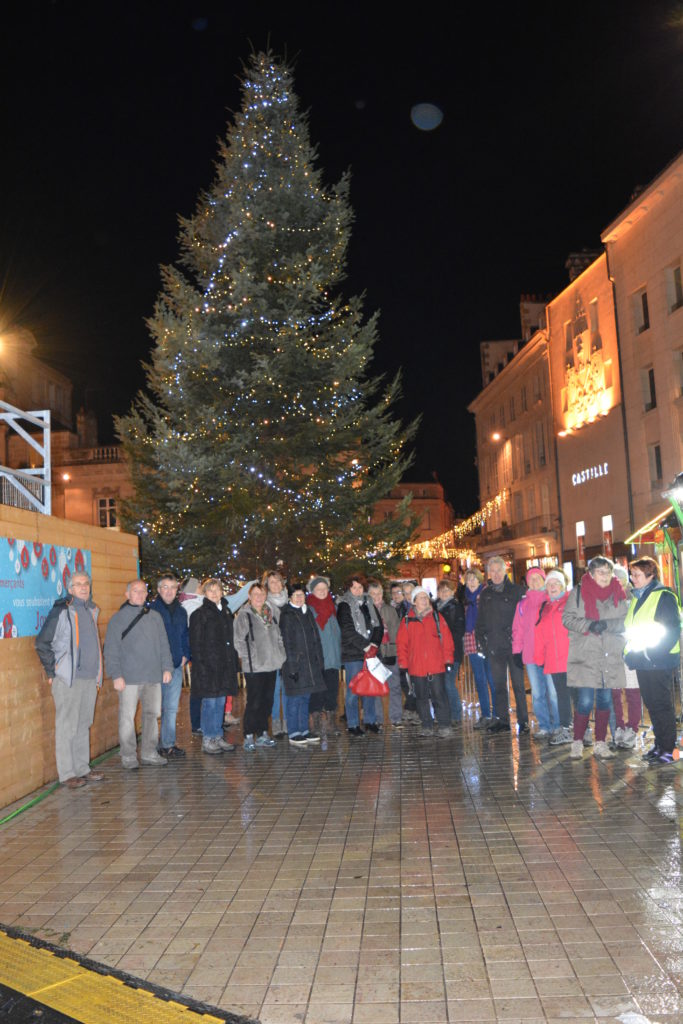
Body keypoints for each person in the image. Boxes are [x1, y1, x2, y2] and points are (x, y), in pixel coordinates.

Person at [35, 571, 105, 790]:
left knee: (83, 724)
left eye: (86, 584)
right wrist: (52, 672)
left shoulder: (91, 610)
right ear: (70, 589)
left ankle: (82, 768)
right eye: (78, 585)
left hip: (88, 679)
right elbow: (42, 643)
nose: (84, 587)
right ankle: (67, 773)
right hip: (68, 680)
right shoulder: (62, 611)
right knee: (67, 727)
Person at [563, 556, 629, 760]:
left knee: (605, 700)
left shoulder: (619, 593)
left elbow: (626, 621)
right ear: (591, 574)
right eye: (600, 572)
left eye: (608, 572)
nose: (605, 576)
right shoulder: (578, 593)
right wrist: (589, 625)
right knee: (584, 701)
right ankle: (577, 742)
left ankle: (600, 742)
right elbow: (568, 619)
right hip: (585, 654)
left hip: (609, 655)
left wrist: (608, 625)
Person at [104, 579, 173, 769]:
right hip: (129, 679)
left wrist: (167, 668)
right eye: (136, 591)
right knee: (127, 717)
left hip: (153, 677)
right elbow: (111, 650)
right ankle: (128, 755)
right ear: (127, 594)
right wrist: (116, 675)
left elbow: (163, 644)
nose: (140, 594)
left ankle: (149, 752)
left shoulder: (155, 617)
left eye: (143, 591)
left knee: (152, 715)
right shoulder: (118, 619)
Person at [624, 556, 681, 768]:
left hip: (658, 661)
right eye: (632, 574)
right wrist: (628, 654)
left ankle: (668, 749)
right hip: (643, 661)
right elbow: (631, 630)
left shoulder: (664, 596)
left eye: (637, 574)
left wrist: (653, 654)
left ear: (651, 575)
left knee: (662, 705)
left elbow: (671, 630)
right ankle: (660, 745)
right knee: (652, 706)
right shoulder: (638, 597)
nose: (632, 578)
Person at [475, 556, 527, 734]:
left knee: (519, 685)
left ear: (505, 571)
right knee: (498, 685)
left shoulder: (517, 591)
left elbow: (524, 618)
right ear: (488, 573)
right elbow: (480, 621)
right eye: (493, 571)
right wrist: (482, 641)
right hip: (495, 646)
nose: (496, 574)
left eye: (499, 570)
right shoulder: (486, 594)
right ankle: (503, 720)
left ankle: (524, 721)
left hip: (515, 645)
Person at [396, 586, 455, 737]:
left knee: (439, 696)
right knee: (421, 698)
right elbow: (402, 644)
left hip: (436, 665)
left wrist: (448, 660)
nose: (424, 600)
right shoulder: (407, 620)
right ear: (414, 602)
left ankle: (444, 725)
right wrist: (403, 664)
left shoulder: (437, 617)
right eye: (420, 598)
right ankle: (426, 725)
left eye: (425, 597)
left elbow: (447, 639)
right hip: (417, 667)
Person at [189, 578, 239, 754]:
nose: (214, 593)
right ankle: (208, 738)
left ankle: (217, 735)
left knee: (220, 703)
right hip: (208, 668)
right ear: (204, 593)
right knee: (210, 704)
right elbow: (195, 644)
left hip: (224, 667)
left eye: (217, 590)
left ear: (222, 592)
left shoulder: (226, 612)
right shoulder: (199, 615)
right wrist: (202, 667)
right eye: (210, 590)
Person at [234, 583, 286, 750]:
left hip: (272, 664)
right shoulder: (244, 615)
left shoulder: (272, 613)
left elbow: (279, 636)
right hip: (255, 666)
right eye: (255, 594)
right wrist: (250, 656)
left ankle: (263, 732)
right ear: (249, 596)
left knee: (267, 700)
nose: (258, 597)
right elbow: (238, 640)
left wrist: (281, 653)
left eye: (261, 594)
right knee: (254, 701)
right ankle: (249, 734)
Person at [512, 567, 559, 737]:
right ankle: (545, 725)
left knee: (553, 693)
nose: (534, 581)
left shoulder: (550, 599)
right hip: (531, 654)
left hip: (549, 654)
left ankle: (558, 725)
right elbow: (518, 629)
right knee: (538, 693)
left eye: (538, 578)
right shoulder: (522, 604)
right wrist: (517, 651)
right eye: (531, 579)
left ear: (543, 579)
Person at [337, 574, 385, 738]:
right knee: (353, 690)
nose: (357, 590)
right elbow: (347, 630)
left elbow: (378, 625)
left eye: (360, 587)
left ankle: (370, 721)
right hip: (353, 654)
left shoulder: (368, 602)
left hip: (370, 653)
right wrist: (365, 646)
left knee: (369, 689)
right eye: (354, 587)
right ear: (348, 589)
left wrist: (374, 644)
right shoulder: (344, 605)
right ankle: (353, 724)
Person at [279, 581, 326, 746]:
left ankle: (304, 729)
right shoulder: (287, 615)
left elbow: (316, 639)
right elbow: (287, 642)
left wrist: (320, 661)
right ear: (290, 597)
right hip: (296, 664)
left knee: (305, 698)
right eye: (296, 595)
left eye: (301, 595)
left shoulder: (308, 613)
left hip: (310, 664)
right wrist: (291, 665)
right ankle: (294, 731)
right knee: (294, 699)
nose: (299, 598)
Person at [151, 574, 190, 758]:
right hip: (155, 667)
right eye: (165, 587)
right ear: (158, 590)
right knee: (154, 708)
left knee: (171, 707)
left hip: (175, 665)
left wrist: (185, 654)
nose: (169, 591)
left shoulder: (181, 612)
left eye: (173, 587)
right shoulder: (151, 611)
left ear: (177, 591)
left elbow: (185, 636)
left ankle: (168, 744)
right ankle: (151, 746)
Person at [533, 569, 573, 745]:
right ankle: (566, 729)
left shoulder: (571, 602)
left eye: (555, 583)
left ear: (563, 585)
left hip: (573, 659)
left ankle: (583, 730)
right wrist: (539, 658)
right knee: (562, 696)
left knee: (578, 696)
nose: (552, 587)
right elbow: (539, 634)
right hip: (555, 661)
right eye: (549, 584)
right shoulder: (546, 607)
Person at [610, 564, 641, 749]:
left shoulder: (633, 598)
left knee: (632, 692)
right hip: (612, 653)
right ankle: (619, 727)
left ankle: (632, 728)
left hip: (630, 650)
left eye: (618, 579)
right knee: (615, 694)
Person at [307, 575, 343, 737]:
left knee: (332, 692)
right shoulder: (309, 609)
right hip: (317, 658)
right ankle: (314, 722)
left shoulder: (333, 608)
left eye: (324, 588)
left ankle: (330, 722)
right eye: (318, 589)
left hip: (333, 658)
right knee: (316, 693)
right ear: (312, 591)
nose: (322, 591)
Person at [462, 568, 496, 728]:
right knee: (480, 680)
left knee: (492, 679)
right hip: (471, 641)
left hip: (487, 642)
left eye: (474, 579)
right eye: (468, 580)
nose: (471, 582)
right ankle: (485, 714)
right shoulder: (466, 600)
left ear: (479, 580)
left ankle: (497, 714)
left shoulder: (487, 596)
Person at [367, 579, 403, 729]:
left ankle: (396, 717)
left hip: (389, 651)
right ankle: (378, 719)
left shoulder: (390, 610)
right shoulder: (365, 609)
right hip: (373, 653)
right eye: (373, 594)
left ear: (383, 594)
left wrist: (395, 649)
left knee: (394, 686)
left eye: (379, 593)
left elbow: (396, 631)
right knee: (376, 688)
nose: (376, 597)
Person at [263, 570, 289, 737]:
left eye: (278, 581)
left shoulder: (290, 601)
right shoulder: (265, 605)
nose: (276, 584)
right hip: (273, 652)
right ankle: (276, 722)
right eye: (272, 582)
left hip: (290, 652)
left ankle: (287, 721)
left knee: (288, 688)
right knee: (275, 688)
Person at [436, 578, 465, 724]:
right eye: (441, 590)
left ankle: (456, 715)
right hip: (437, 653)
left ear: (453, 591)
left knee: (448, 683)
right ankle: (446, 713)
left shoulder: (456, 607)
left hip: (452, 653)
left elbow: (459, 631)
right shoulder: (435, 607)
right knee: (441, 685)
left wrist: (442, 638)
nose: (444, 593)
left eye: (447, 590)